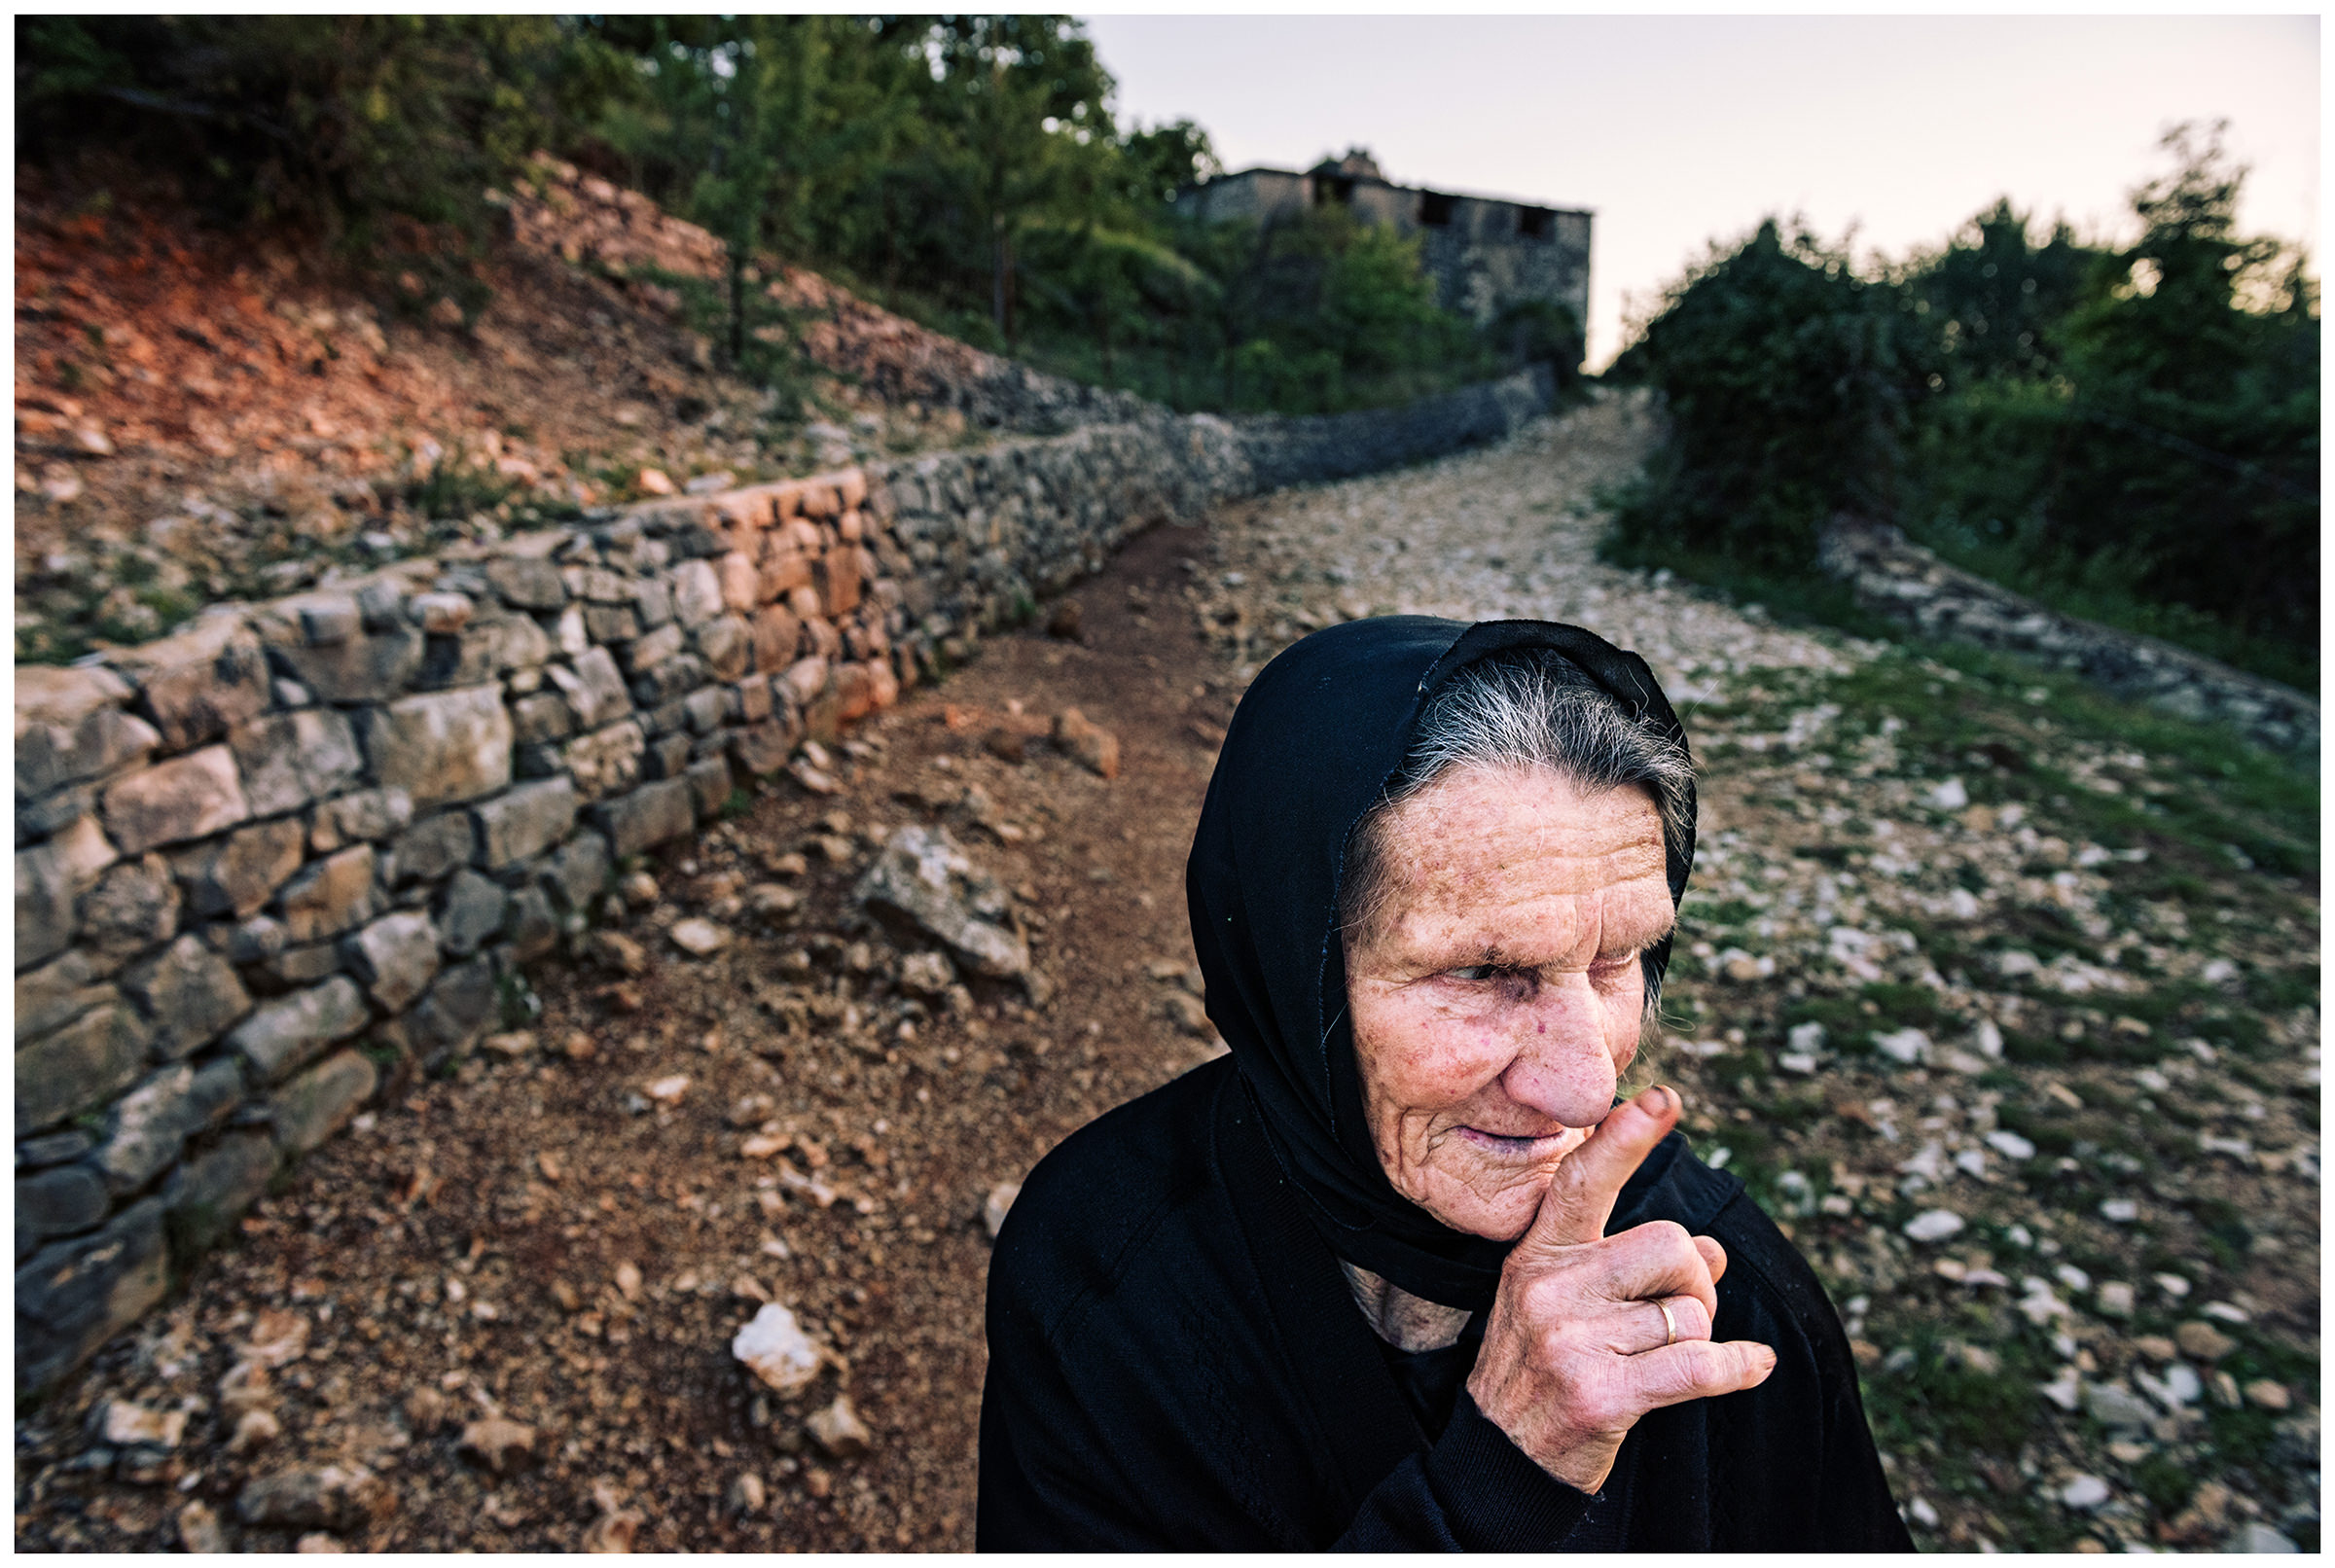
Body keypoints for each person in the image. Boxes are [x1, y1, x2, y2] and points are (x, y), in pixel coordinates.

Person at [976, 617, 1912, 1550]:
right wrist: (1507, 1479)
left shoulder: (1729, 1306)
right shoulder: (1105, 1278)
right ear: (1292, 964)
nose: (1587, 1090)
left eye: (1618, 959)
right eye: (1483, 971)